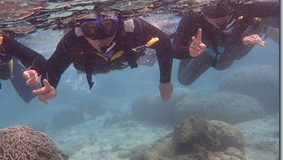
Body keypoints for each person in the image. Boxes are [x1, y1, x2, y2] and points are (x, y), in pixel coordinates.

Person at [24, 10, 174, 103]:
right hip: (92, 66)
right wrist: (50, 85)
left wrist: (165, 81)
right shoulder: (73, 40)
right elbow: (54, 66)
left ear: (118, 23)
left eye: (109, 26)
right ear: (81, 30)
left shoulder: (132, 29)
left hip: (128, 59)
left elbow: (165, 42)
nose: (101, 37)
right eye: (90, 29)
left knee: (146, 54)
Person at [172, 0, 279, 86]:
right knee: (185, 79)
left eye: (225, 11)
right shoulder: (192, 17)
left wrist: (243, 40)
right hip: (213, 48)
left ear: (232, 6)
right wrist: (190, 52)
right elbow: (175, 48)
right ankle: (261, 27)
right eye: (212, 11)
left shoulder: (244, 7)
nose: (220, 18)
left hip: (234, 42)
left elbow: (277, 8)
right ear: (202, 11)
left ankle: (262, 26)